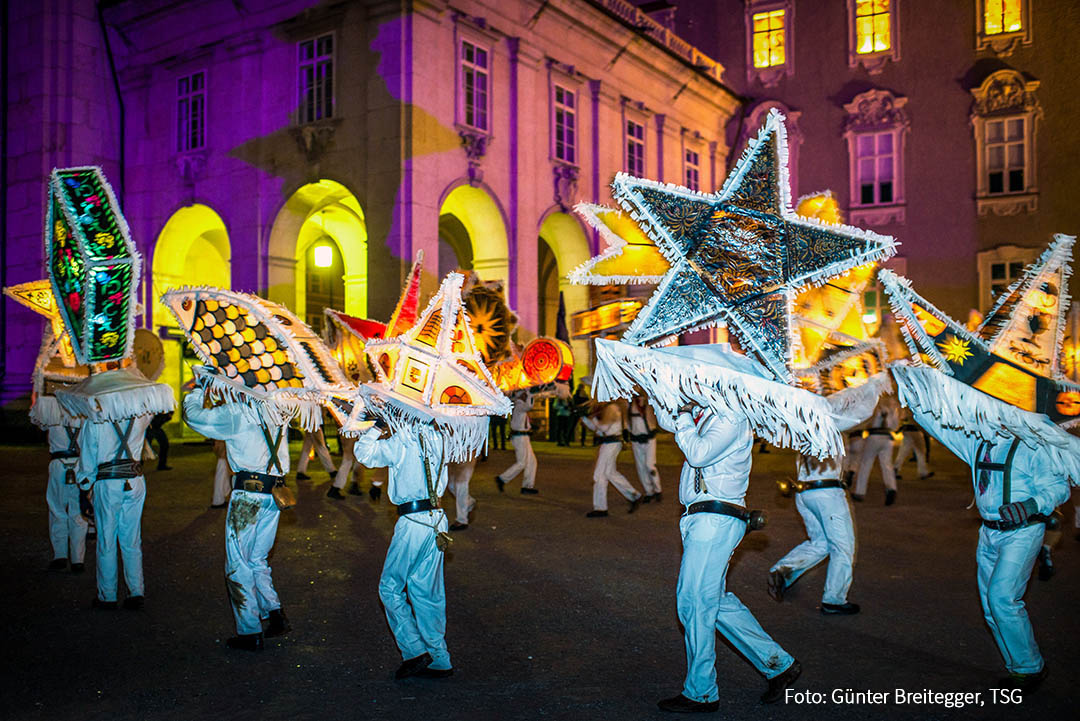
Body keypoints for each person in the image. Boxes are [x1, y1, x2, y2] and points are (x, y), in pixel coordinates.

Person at [655, 402, 800, 712]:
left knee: (694, 602)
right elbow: (668, 423)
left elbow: (698, 452)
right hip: (703, 518)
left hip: (715, 519)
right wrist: (667, 399)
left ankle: (701, 692)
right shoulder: (709, 413)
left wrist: (683, 417)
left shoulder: (731, 416)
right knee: (714, 603)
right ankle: (779, 665)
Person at [905, 411, 1068, 689]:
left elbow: (1059, 487)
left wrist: (1031, 505)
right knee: (991, 606)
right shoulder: (978, 443)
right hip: (989, 531)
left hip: (1023, 532)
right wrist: (916, 393)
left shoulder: (1031, 446)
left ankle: (1030, 668)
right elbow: (938, 426)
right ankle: (1018, 666)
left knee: (1002, 598)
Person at [183, 382, 292, 651]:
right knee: (257, 558)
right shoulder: (277, 410)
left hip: (248, 496)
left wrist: (198, 391)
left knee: (238, 562)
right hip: (274, 496)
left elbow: (194, 416)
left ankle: (249, 631)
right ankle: (275, 613)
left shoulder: (237, 413)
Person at [354, 422, 454, 679]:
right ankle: (440, 658)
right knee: (428, 592)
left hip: (413, 522)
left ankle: (414, 651)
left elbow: (364, 454)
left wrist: (377, 427)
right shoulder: (440, 435)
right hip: (438, 518)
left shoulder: (403, 439)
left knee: (389, 587)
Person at [75, 411, 154, 610]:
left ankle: (107, 595)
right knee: (132, 539)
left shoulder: (95, 418)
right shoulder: (141, 414)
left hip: (108, 482)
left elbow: (87, 455)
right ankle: (136, 591)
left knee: (107, 539)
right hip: (135, 480)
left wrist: (85, 486)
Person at [768, 454, 858, 614]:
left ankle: (783, 569)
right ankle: (834, 600)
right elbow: (851, 426)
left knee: (820, 543)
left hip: (804, 491)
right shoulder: (829, 427)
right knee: (843, 548)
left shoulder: (803, 428)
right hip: (827, 493)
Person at [37, 402, 87, 573]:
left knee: (57, 509)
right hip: (79, 464)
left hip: (58, 463)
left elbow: (41, 427)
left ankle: (60, 555)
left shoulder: (50, 407)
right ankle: (78, 559)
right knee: (78, 512)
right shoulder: (83, 408)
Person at [581, 401, 642, 517]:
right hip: (610, 443)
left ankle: (601, 508)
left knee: (599, 475)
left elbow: (603, 427)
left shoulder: (612, 408)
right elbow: (597, 429)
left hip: (611, 443)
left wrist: (591, 417)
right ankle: (634, 495)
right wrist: (583, 417)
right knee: (610, 473)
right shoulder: (610, 407)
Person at [852, 395, 900, 505]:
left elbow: (868, 420)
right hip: (888, 437)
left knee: (866, 464)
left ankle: (860, 492)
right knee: (887, 465)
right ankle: (891, 488)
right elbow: (895, 425)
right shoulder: (894, 404)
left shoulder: (874, 401)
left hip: (874, 435)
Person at [495, 391, 538, 494]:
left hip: (523, 436)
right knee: (522, 463)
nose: (526, 394)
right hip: (520, 437)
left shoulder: (518, 404)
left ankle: (527, 486)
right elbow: (529, 406)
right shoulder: (519, 405)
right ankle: (502, 479)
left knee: (532, 462)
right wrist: (532, 394)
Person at [628, 393, 662, 502]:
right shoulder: (629, 403)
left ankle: (657, 489)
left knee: (650, 465)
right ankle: (649, 491)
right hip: (636, 440)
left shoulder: (650, 403)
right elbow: (627, 419)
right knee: (641, 467)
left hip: (649, 438)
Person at [893, 407, 933, 481]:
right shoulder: (915, 406)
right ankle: (923, 472)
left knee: (903, 451)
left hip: (907, 430)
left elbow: (901, 418)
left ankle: (895, 469)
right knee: (920, 452)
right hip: (915, 430)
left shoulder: (904, 406)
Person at [447, 456, 478, 530]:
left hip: (467, 452)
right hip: (452, 454)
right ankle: (469, 502)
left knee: (461, 484)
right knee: (450, 485)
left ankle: (462, 519)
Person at [210, 439, 231, 508]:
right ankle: (218, 501)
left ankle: (221, 498)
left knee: (223, 479)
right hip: (222, 458)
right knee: (220, 480)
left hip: (222, 458)